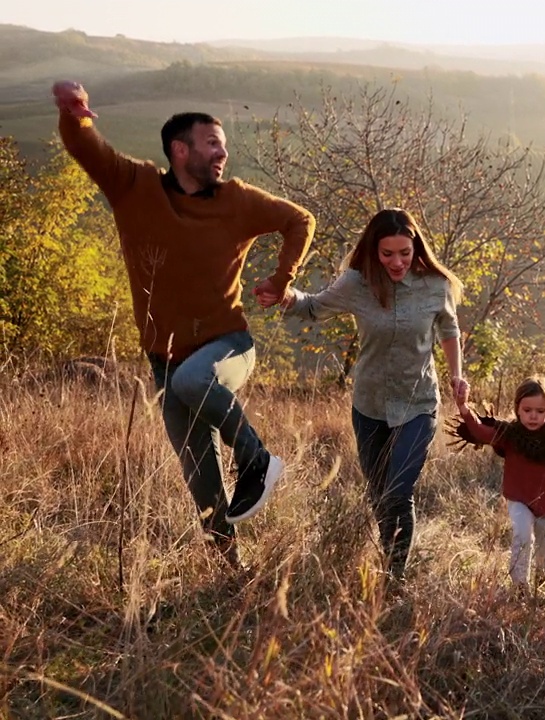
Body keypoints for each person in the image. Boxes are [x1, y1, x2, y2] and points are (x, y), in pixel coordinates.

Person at [52, 80, 315, 571]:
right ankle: (229, 571)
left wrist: (282, 279)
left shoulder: (237, 199)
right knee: (201, 477)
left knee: (199, 379)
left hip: (227, 344)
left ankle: (257, 460)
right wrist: (74, 110)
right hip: (163, 363)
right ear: (180, 149)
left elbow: (300, 220)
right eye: (212, 143)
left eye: (223, 145)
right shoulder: (134, 186)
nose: (223, 154)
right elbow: (86, 145)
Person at [258, 208, 467, 580]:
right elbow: (313, 307)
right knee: (379, 494)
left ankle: (394, 577)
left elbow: (449, 330)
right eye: (388, 254)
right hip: (369, 405)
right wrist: (283, 295)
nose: (397, 261)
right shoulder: (357, 283)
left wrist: (457, 376)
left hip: (417, 403)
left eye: (405, 252)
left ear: (415, 247)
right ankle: (390, 555)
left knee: (399, 491)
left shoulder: (435, 285)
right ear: (374, 251)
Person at [449, 376, 545, 589]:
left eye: (540, 411)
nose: (533, 416)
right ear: (517, 409)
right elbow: (481, 432)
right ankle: (519, 587)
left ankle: (544, 586)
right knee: (522, 536)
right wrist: (464, 407)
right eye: (527, 410)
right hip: (520, 499)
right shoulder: (511, 434)